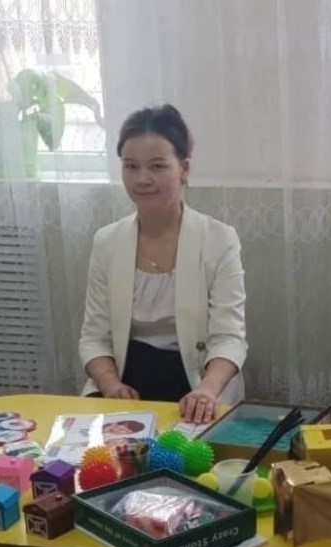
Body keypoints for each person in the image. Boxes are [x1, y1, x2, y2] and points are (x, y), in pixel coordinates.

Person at [79, 104, 247, 424]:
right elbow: (94, 337)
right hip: (126, 379)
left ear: (184, 168)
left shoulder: (219, 240)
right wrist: (110, 385)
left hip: (196, 381)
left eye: (157, 166)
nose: (142, 179)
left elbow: (229, 338)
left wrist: (207, 391)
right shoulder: (107, 241)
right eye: (131, 166)